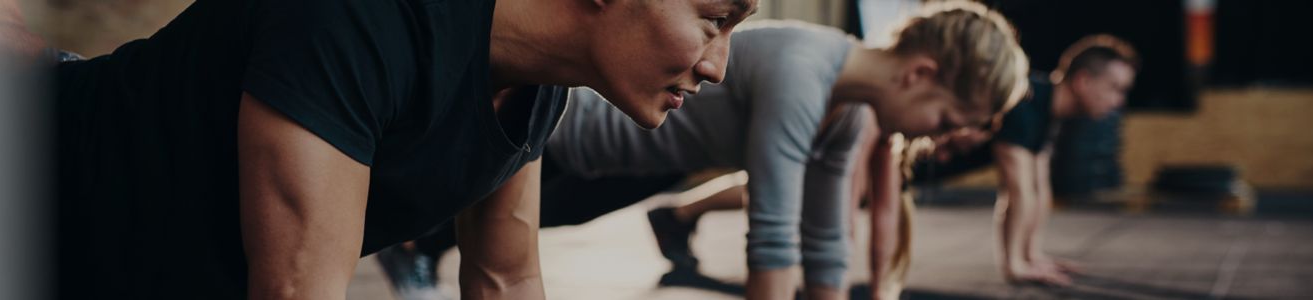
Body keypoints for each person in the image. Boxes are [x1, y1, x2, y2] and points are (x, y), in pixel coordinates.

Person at [41, 0, 759, 299]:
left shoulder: (539, 88)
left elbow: (505, 281)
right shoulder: (361, 21)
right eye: (713, 20)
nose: (719, 66)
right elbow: (297, 292)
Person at [389, 3, 1030, 300]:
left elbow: (827, 233)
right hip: (574, 135)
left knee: (555, 223)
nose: (937, 136)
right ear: (919, 74)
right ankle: (414, 246)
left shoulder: (851, 111)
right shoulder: (803, 68)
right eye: (945, 119)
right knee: (467, 218)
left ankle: (420, 242)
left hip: (647, 156)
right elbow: (774, 233)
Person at [890, 34, 1141, 287]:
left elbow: (1040, 189)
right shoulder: (1025, 101)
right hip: (902, 159)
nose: (1119, 101)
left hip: (914, 169)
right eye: (1115, 88)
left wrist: (1032, 256)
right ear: (1084, 81)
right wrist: (1015, 266)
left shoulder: (1047, 108)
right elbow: (1017, 191)